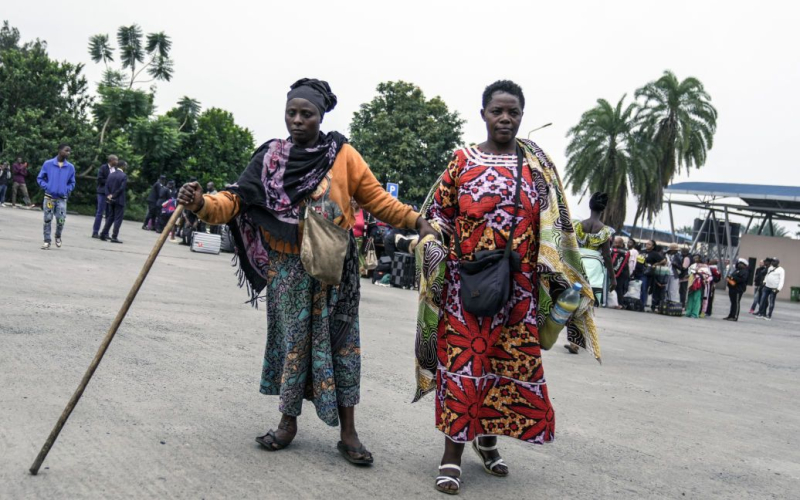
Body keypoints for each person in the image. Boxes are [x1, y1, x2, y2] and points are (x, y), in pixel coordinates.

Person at [177, 78, 436, 466]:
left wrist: (418, 222)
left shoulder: (343, 155)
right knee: (293, 348)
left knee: (342, 348)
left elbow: (379, 200)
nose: (297, 121)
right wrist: (201, 203)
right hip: (288, 272)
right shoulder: (269, 158)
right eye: (291, 113)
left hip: (335, 274)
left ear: (321, 115)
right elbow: (234, 200)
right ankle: (287, 423)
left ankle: (348, 433)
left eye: (306, 114)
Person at [425, 80, 598, 494]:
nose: (505, 118)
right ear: (483, 113)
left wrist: (561, 279)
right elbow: (439, 213)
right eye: (497, 111)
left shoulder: (537, 165)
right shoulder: (462, 160)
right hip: (465, 289)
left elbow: (556, 223)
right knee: (466, 368)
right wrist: (431, 244)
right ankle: (452, 457)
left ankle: (487, 440)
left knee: (505, 368)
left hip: (519, 290)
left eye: (513, 112)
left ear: (522, 116)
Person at [567, 191, 614, 353]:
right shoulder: (605, 231)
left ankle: (575, 341)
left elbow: (571, 247)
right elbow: (607, 256)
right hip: (594, 269)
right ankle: (578, 342)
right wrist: (613, 278)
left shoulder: (579, 226)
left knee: (573, 303)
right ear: (603, 210)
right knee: (587, 305)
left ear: (590, 206)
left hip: (579, 265)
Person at [37, 145, 76, 249]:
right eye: (66, 150)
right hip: (49, 197)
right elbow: (40, 178)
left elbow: (72, 182)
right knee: (47, 219)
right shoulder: (48, 164)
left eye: (70, 151)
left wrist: (66, 189)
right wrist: (47, 187)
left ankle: (58, 235)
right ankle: (47, 241)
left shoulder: (70, 167)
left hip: (62, 198)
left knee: (61, 219)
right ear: (59, 150)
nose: (68, 153)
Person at [99, 160, 128, 243]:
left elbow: (107, 186)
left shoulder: (111, 175)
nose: (126, 167)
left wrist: (109, 195)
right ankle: (114, 236)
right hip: (119, 200)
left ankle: (103, 234)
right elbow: (121, 188)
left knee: (110, 217)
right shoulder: (123, 176)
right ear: (122, 166)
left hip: (110, 199)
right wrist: (114, 195)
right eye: (125, 166)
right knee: (118, 218)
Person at [92, 155, 118, 238]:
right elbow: (100, 179)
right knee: (100, 212)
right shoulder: (103, 168)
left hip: (111, 194)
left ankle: (105, 233)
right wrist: (110, 181)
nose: (117, 162)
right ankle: (95, 232)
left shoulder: (116, 170)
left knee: (109, 214)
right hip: (102, 193)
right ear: (111, 160)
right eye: (115, 160)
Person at [640, 240, 666, 311]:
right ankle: (639, 303)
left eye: (649, 244)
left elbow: (664, 261)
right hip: (639, 271)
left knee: (644, 288)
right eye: (647, 244)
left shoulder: (654, 253)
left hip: (647, 273)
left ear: (653, 246)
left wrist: (655, 264)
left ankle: (642, 304)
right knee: (640, 287)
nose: (647, 245)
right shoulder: (642, 252)